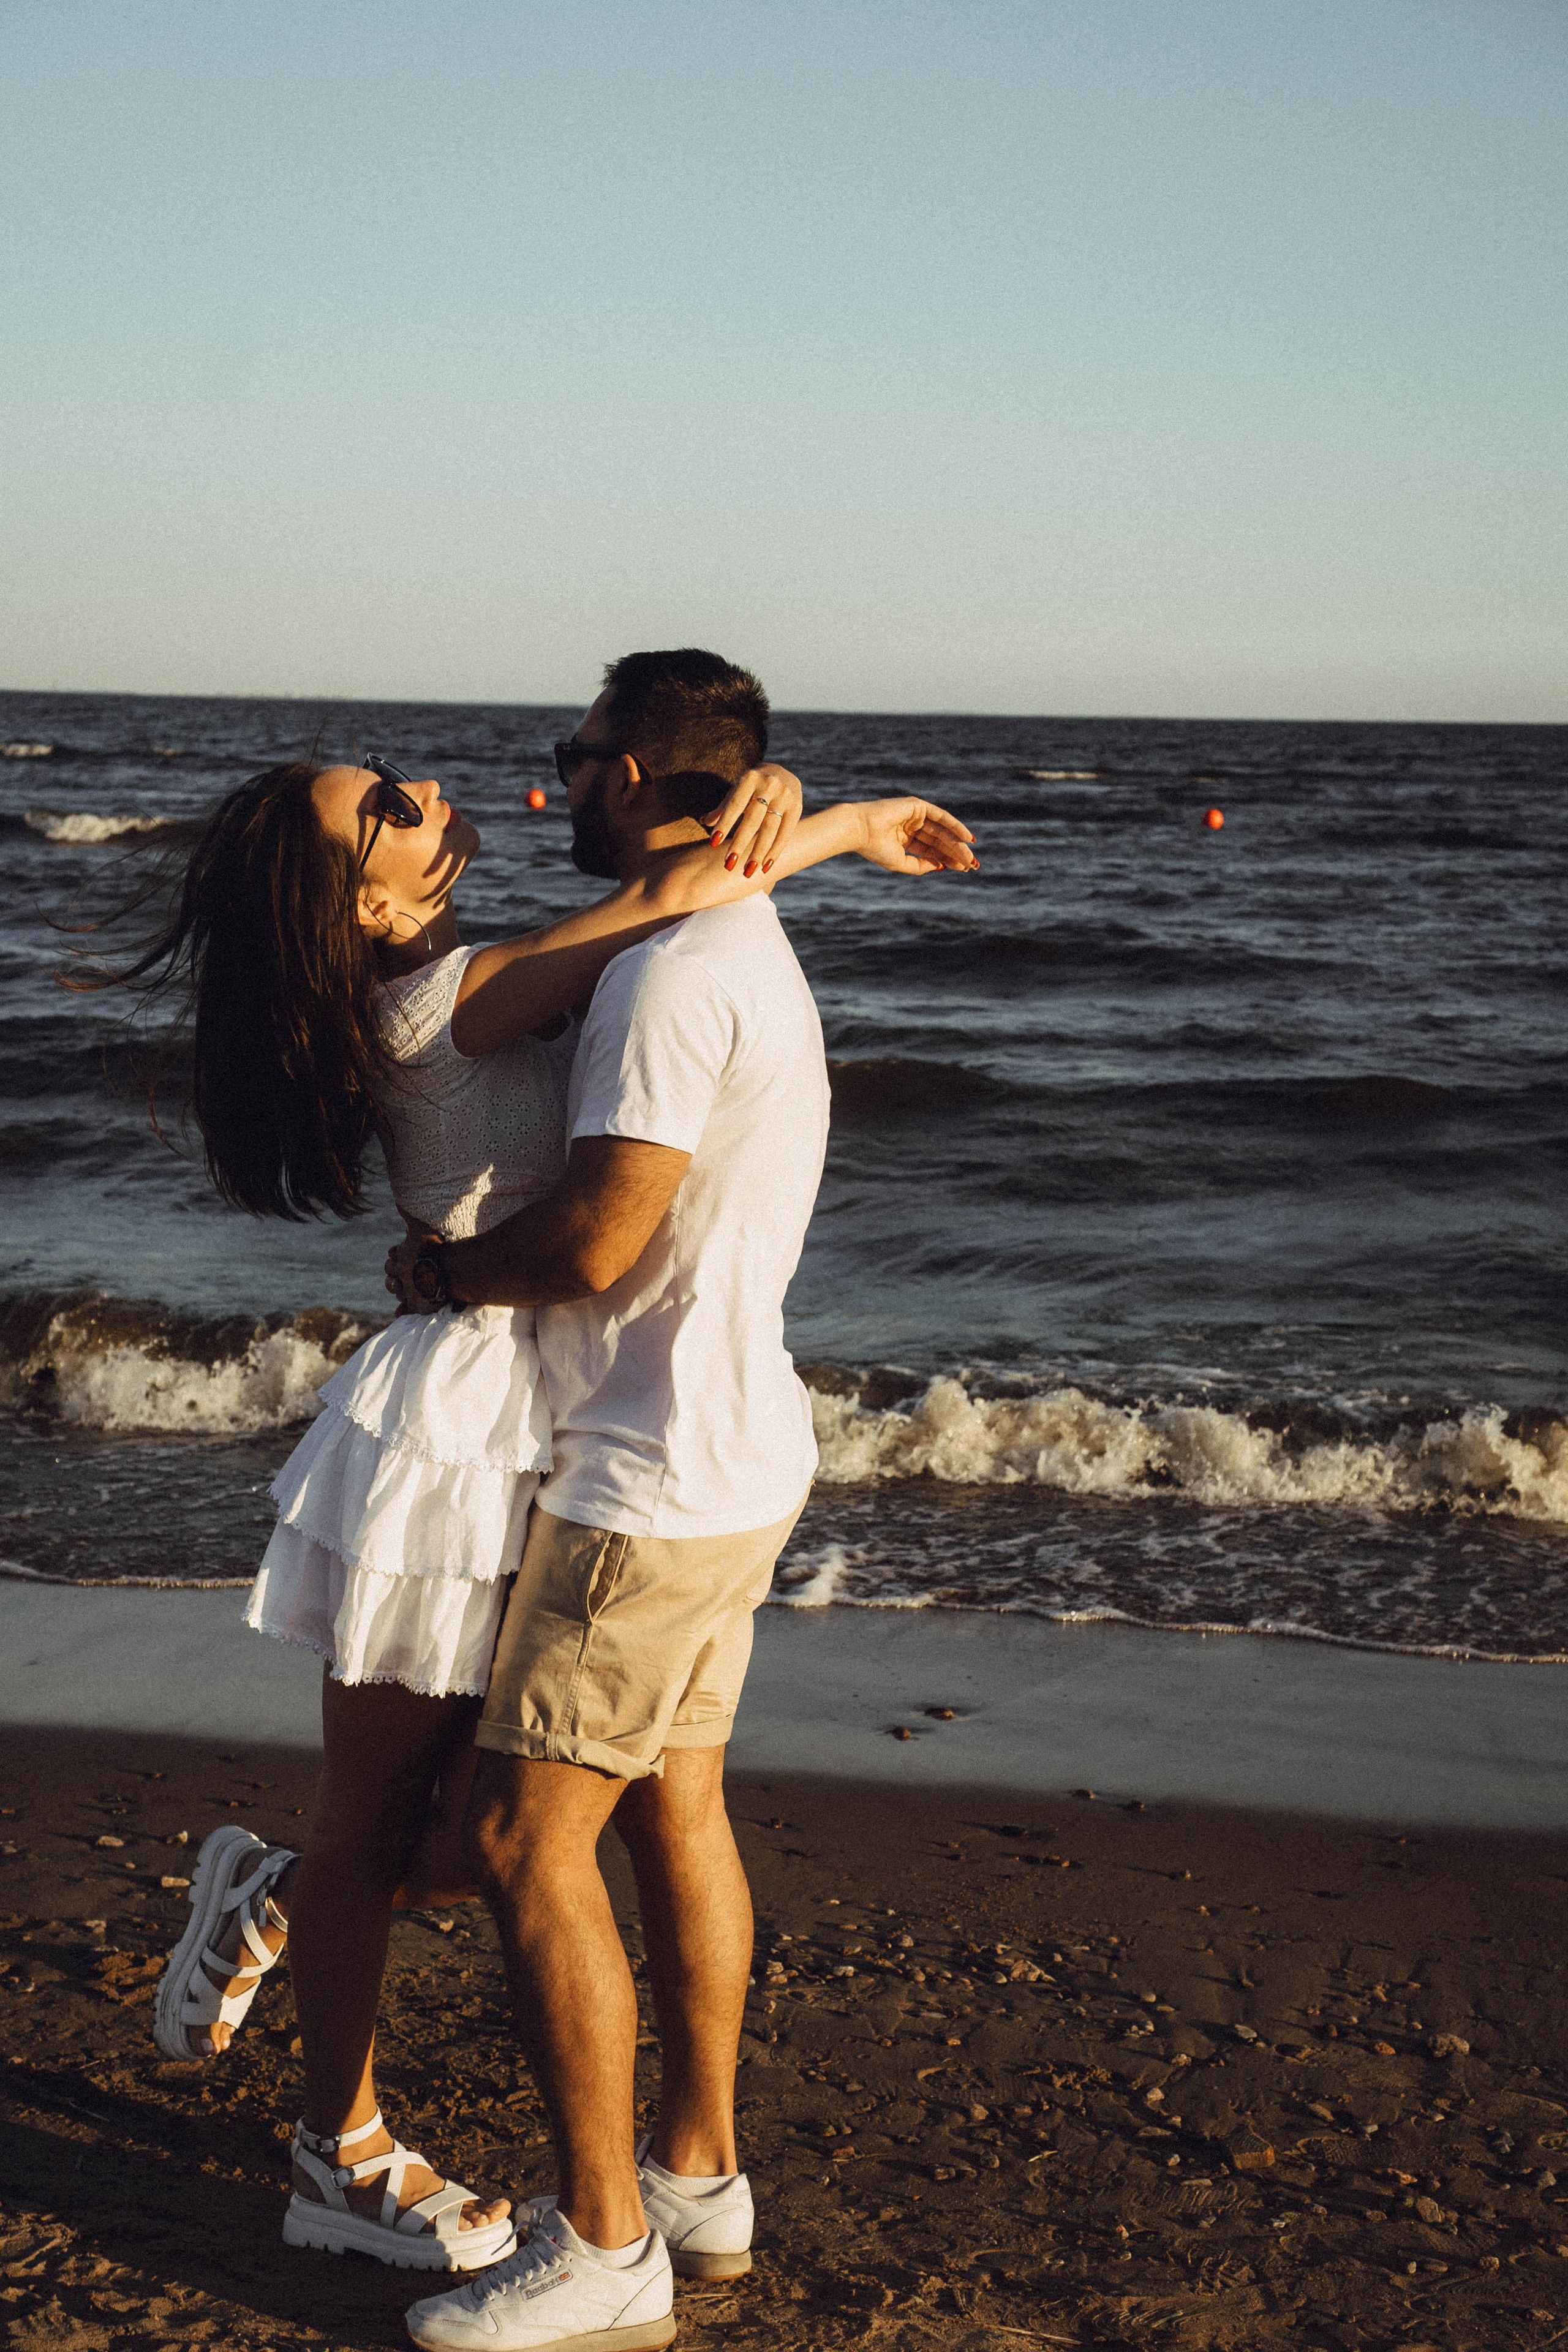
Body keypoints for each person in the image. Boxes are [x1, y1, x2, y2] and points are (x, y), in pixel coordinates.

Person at [125, 663, 975, 2283]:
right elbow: (669, 898)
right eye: (389, 812)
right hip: (454, 1425)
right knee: (396, 1810)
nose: (434, 799)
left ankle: (273, 1900)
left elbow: (673, 906)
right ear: (359, 908)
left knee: (494, 1809)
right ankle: (339, 2143)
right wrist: (833, 820)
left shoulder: (489, 972)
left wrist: (804, 819)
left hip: (561, 1412)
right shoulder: (441, 1000)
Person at [382, 650, 975, 2351]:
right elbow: (665, 907)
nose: (552, 782)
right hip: (739, 1452)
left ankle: (607, 2245)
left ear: (634, 771)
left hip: (647, 1478)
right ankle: (704, 2174)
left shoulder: (667, 979)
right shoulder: (728, 939)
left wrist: (444, 1273)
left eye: (572, 758)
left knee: (520, 1837)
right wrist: (840, 827)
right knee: (672, 1809)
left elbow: (594, 1238)